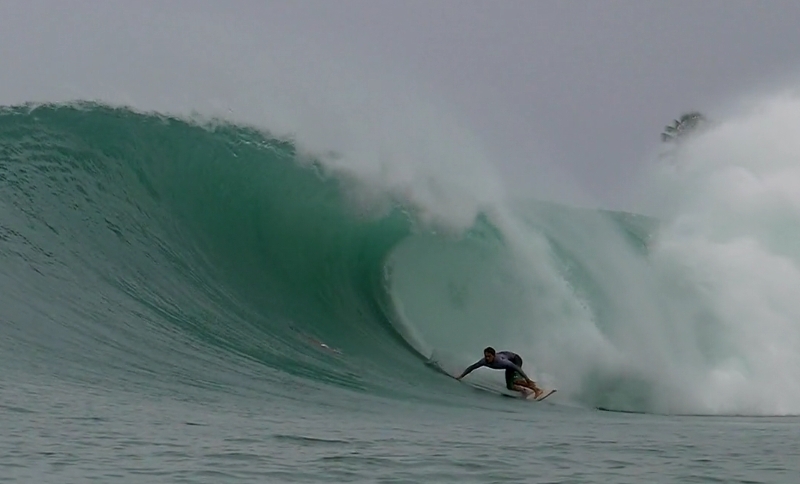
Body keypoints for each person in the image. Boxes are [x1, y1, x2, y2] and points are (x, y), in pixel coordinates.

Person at [456, 347, 544, 399]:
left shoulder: (502, 362)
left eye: (489, 356)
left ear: (494, 356)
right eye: (486, 356)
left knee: (516, 381)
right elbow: (472, 367)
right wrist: (461, 376)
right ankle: (525, 391)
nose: (487, 358)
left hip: (515, 360)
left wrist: (527, 379)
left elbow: (517, 368)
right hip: (509, 365)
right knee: (510, 386)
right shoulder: (484, 361)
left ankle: (537, 390)